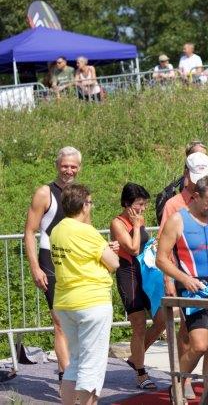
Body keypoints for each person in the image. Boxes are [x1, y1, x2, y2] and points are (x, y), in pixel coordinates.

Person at [157, 150, 208, 403]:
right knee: (199, 344)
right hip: (191, 287)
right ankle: (178, 382)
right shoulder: (177, 220)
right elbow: (161, 258)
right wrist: (183, 279)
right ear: (196, 196)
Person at [50, 184, 120, 405]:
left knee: (75, 363)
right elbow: (113, 263)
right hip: (92, 301)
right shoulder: (87, 232)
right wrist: (108, 251)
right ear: (84, 205)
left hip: (65, 302)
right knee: (92, 366)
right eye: (90, 203)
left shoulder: (57, 230)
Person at [24, 146, 82, 384]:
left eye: (73, 166)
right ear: (57, 165)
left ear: (79, 168)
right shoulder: (44, 193)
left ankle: (72, 371)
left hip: (75, 263)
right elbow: (29, 232)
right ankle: (66, 378)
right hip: (50, 260)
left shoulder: (80, 194)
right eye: (64, 165)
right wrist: (35, 267)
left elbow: (85, 230)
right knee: (60, 322)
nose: (68, 170)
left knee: (77, 320)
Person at [110, 183, 165, 390]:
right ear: (127, 204)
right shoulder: (118, 223)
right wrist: (135, 225)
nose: (143, 208)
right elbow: (133, 248)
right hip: (128, 274)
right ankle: (141, 373)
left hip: (144, 272)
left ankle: (135, 358)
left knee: (161, 320)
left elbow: (142, 244)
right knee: (139, 324)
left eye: (144, 204)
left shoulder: (139, 219)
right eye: (139, 204)